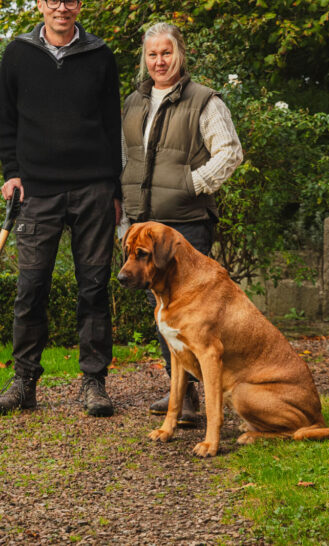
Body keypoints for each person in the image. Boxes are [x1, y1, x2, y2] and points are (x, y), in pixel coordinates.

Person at [0, 0, 122, 417]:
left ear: (80, 6)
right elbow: (6, 121)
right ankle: (24, 381)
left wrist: (115, 187)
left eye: (70, 1)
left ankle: (94, 382)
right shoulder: (18, 55)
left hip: (93, 189)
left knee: (94, 287)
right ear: (41, 5)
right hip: (38, 192)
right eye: (53, 1)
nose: (61, 8)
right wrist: (12, 172)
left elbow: (112, 127)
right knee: (31, 287)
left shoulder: (101, 56)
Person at [120, 22, 243, 426]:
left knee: (195, 313)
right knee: (165, 313)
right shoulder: (134, 103)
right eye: (152, 54)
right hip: (144, 224)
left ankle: (212, 396)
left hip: (185, 224)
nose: (159, 61)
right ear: (145, 59)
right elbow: (126, 157)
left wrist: (192, 184)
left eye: (166, 52)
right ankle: (185, 396)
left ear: (180, 55)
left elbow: (229, 152)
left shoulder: (205, 101)